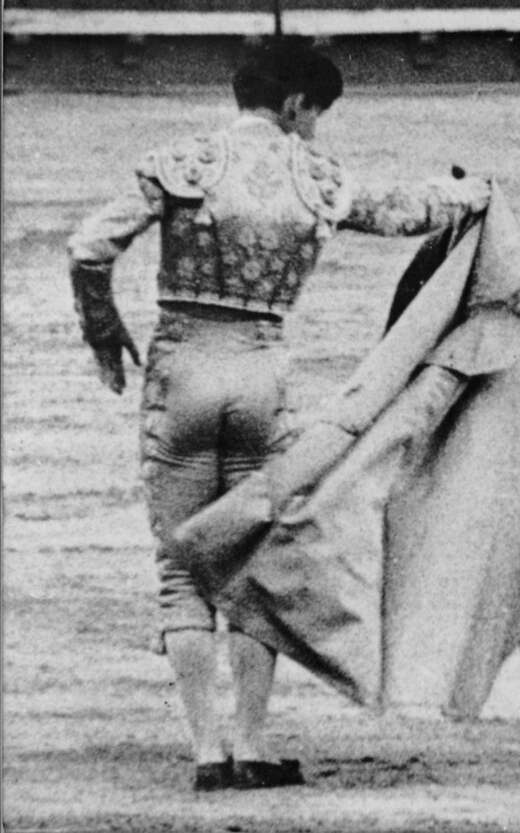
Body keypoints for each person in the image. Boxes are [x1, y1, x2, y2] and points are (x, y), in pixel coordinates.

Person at [66, 40, 490, 791]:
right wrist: (469, 193)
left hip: (182, 369)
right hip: (262, 378)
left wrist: (104, 329)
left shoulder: (182, 161)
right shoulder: (315, 177)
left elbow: (89, 248)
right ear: (295, 103)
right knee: (251, 564)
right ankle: (254, 748)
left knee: (181, 569)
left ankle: (206, 755)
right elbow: (404, 213)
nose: (316, 129)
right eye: (317, 113)